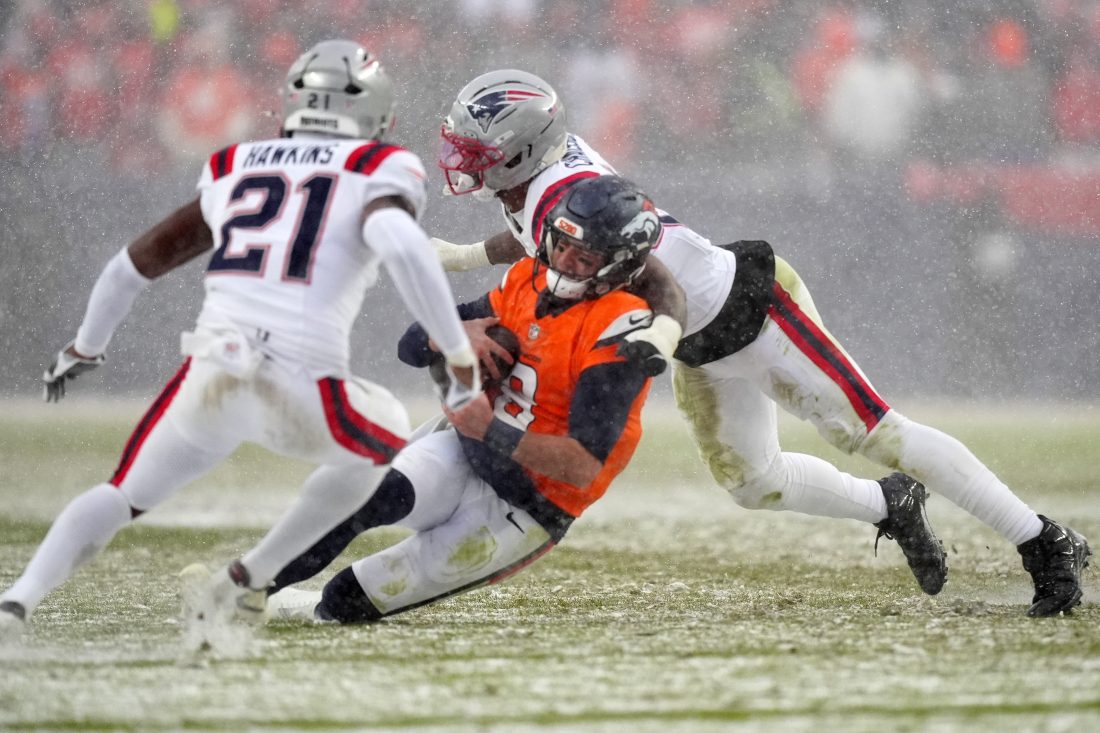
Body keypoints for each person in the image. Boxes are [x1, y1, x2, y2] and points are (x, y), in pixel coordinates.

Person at [429, 70, 1090, 617]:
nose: (463, 159)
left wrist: (645, 335)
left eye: (478, 149)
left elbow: (620, 273)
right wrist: (459, 256)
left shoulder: (560, 190)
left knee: (877, 431)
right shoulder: (542, 182)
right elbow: (538, 237)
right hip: (698, 341)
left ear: (519, 149)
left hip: (751, 308)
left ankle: (1042, 539)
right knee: (753, 481)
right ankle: (889, 503)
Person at [0, 40, 480, 639]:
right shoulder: (378, 167)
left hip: (210, 371)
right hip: (298, 380)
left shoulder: (238, 163)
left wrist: (85, 348)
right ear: (374, 112)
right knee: (383, 434)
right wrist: (456, 352)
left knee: (121, 494)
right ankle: (251, 577)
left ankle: (17, 600)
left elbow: (130, 267)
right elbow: (402, 243)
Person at [253, 174, 659, 623]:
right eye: (560, 244)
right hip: (466, 451)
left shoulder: (622, 326)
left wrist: (490, 429)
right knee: (364, 497)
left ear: (620, 266)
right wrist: (451, 334)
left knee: (347, 599)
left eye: (583, 257)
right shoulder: (527, 278)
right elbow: (410, 347)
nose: (563, 261)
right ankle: (243, 588)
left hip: (529, 505)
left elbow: (582, 465)